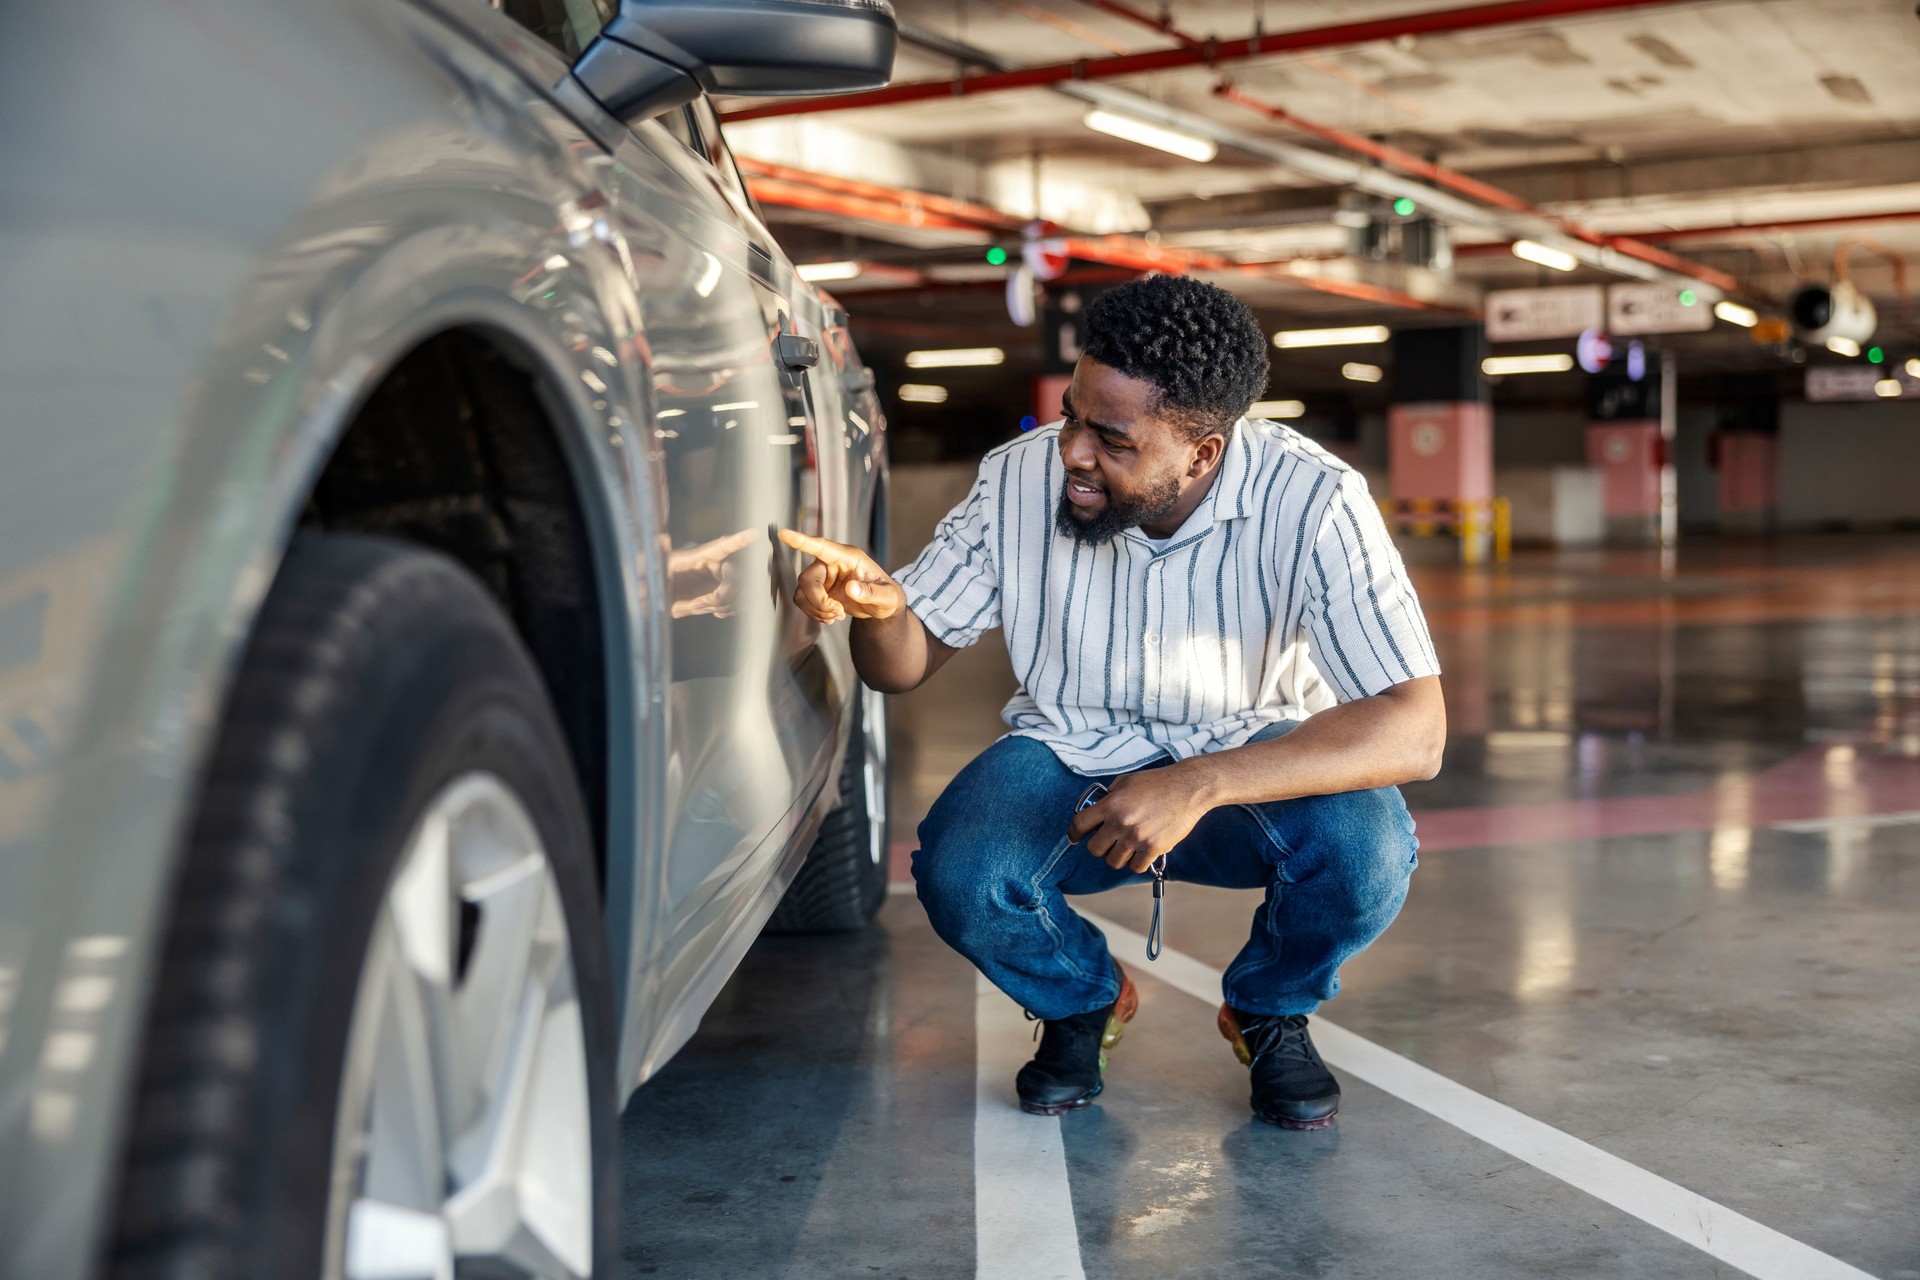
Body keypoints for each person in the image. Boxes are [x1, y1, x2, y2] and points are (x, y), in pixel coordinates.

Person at [779, 274, 1445, 1129]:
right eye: (1070, 416)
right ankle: (1081, 1000)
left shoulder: (1314, 499)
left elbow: (1414, 727)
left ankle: (1270, 1007)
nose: (1072, 454)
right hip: (1071, 753)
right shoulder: (1016, 480)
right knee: (961, 868)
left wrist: (1199, 783)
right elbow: (900, 667)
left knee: (1369, 851)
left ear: (1202, 453)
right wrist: (879, 611)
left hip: (1249, 761)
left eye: (1111, 439)